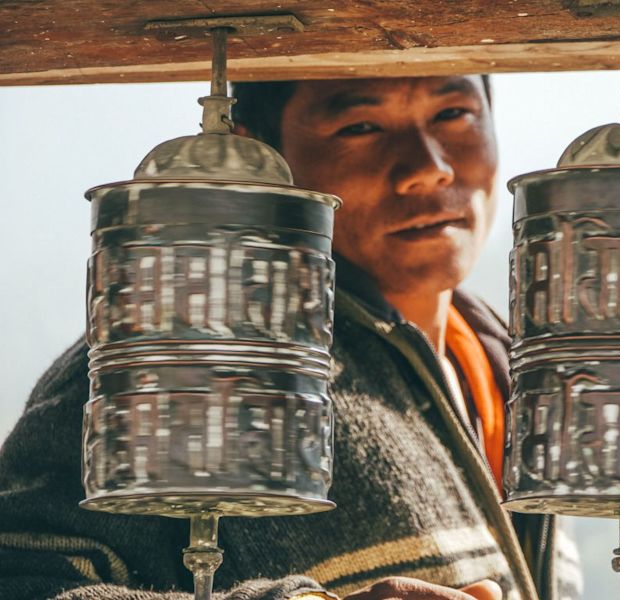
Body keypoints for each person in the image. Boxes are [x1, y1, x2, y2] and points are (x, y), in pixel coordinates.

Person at [0, 75, 581, 600]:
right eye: (360, 125)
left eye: (454, 113)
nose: (428, 166)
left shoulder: (510, 358)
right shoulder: (177, 366)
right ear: (261, 154)